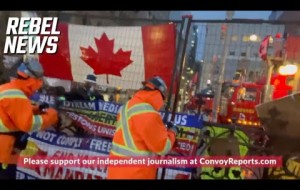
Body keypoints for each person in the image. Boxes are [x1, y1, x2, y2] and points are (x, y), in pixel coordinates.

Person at [107, 76, 178, 179]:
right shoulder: (149, 113)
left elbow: (134, 135)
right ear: (159, 95)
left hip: (116, 171)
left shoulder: (128, 106)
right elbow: (163, 147)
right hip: (136, 173)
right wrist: (172, 132)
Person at [0, 60, 59, 179]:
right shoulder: (18, 96)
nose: (40, 84)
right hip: (4, 153)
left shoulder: (6, 89)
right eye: (39, 80)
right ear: (32, 79)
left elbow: (11, 113)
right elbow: (28, 124)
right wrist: (51, 115)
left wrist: (36, 109)